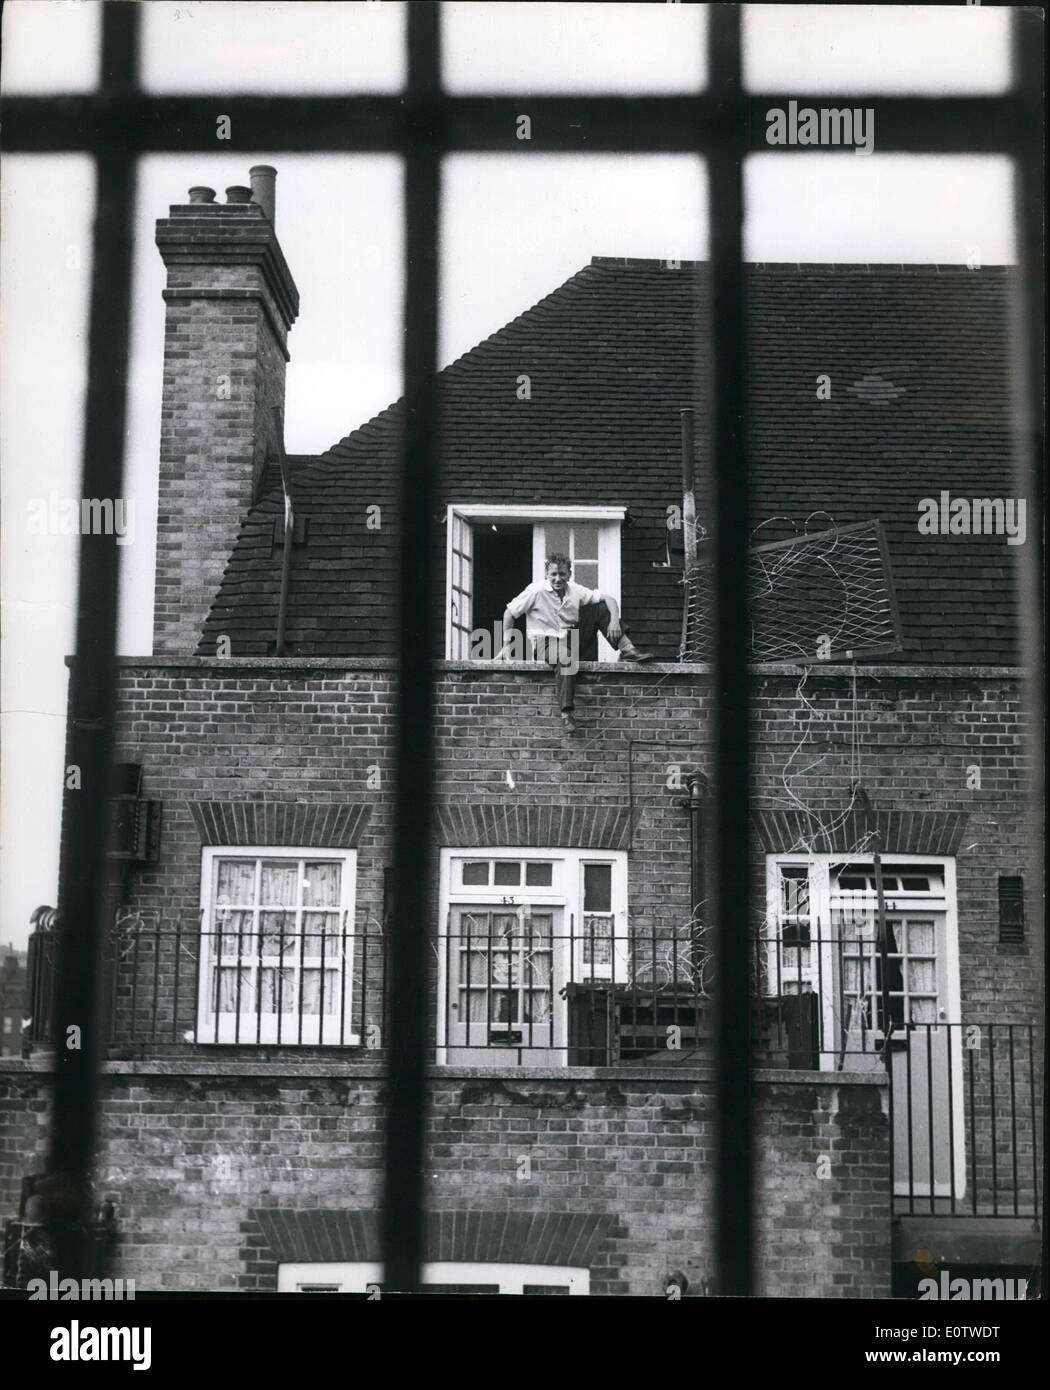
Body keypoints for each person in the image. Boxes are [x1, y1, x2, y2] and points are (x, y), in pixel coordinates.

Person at [498, 553, 652, 733]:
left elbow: (608, 599)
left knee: (601, 608)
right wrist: (507, 644)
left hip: (571, 639)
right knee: (566, 658)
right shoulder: (536, 590)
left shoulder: (575, 590)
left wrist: (614, 621)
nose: (558, 579)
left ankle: (628, 649)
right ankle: (566, 714)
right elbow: (509, 613)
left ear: (569, 574)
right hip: (545, 643)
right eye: (553, 574)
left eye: (562, 574)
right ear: (547, 574)